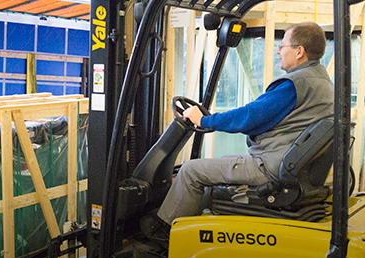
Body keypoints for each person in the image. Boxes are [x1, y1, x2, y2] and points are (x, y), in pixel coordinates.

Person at [143, 22, 334, 240]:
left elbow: (249, 117)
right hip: (294, 168)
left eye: (283, 45)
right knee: (211, 172)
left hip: (270, 166)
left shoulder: (293, 85)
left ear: (299, 51)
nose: (279, 50)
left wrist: (205, 120)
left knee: (190, 170)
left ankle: (164, 234)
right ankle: (193, 229)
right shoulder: (323, 82)